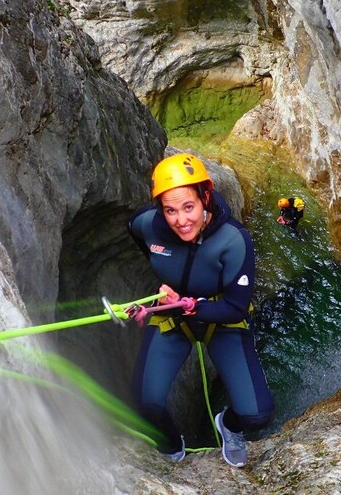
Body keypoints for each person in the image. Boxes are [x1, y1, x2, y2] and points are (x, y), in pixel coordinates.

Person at [127, 153, 275, 468]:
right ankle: (171, 444)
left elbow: (235, 307)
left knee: (257, 415)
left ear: (205, 197)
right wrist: (164, 293)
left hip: (220, 318)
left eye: (188, 207)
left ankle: (229, 425)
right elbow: (141, 237)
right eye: (169, 210)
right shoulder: (147, 226)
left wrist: (193, 306)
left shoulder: (233, 240)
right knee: (145, 403)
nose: (180, 220)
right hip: (172, 316)